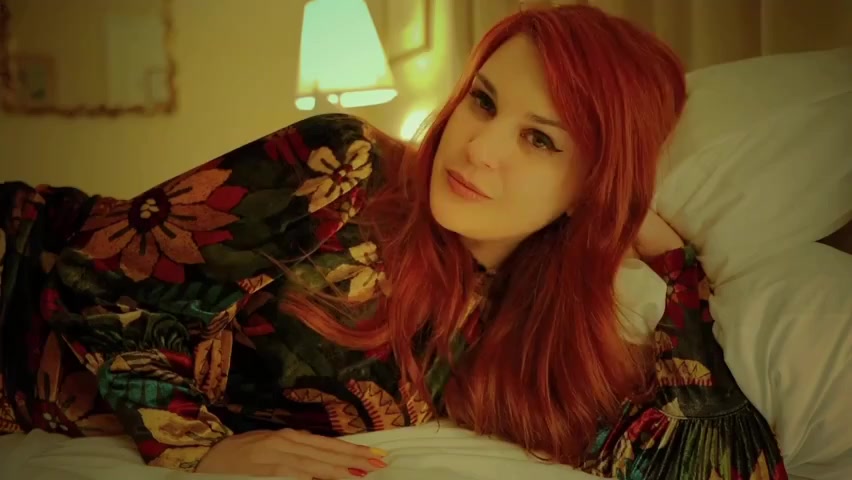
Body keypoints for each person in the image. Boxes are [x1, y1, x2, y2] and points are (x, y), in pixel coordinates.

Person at [0, 5, 786, 480]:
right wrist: (202, 448)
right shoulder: (346, 165)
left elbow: (716, 468)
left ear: (593, 187)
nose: (479, 148)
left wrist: (677, 273)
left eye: (540, 140)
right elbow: (92, 277)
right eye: (483, 102)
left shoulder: (523, 336)